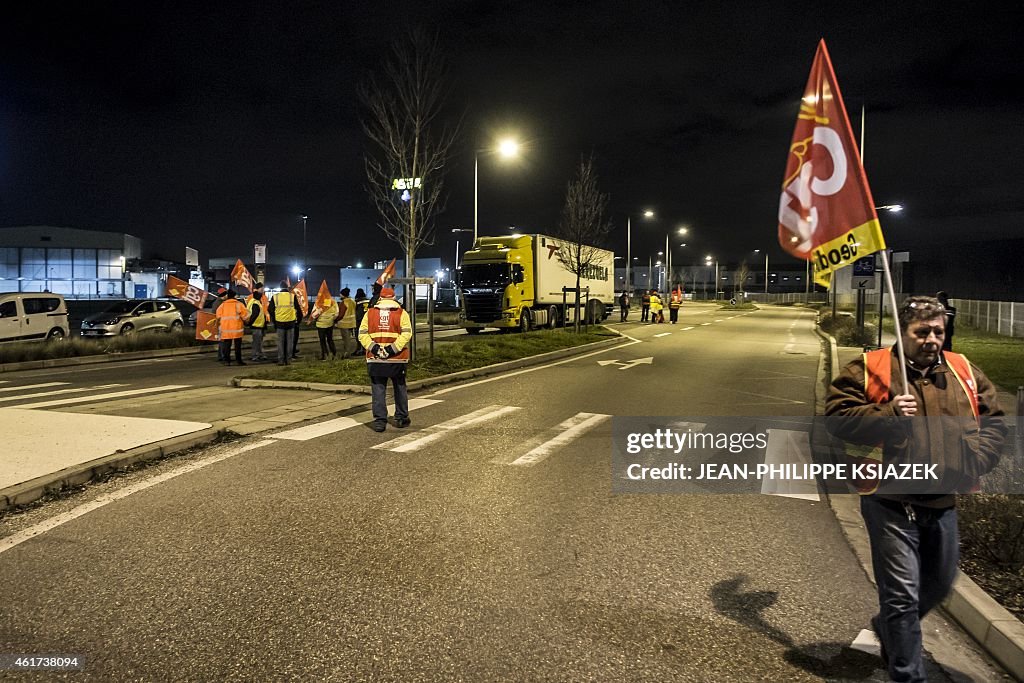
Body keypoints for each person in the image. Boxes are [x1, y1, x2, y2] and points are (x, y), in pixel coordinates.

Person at [826, 295, 1005, 682]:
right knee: (903, 597)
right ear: (903, 332)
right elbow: (838, 418)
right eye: (921, 332)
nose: (931, 339)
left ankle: (890, 626)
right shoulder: (870, 369)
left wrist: (978, 459)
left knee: (937, 588)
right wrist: (889, 413)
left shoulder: (962, 370)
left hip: (943, 502)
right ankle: (908, 674)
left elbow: (994, 419)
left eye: (938, 332)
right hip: (890, 502)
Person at [358, 285, 412, 432]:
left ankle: (380, 421)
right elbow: (407, 334)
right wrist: (391, 349)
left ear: (380, 298)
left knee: (378, 389)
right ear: (394, 298)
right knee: (400, 387)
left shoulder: (369, 313)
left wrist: (375, 348)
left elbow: (362, 334)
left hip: (375, 359)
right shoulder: (402, 313)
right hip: (397, 358)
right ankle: (401, 418)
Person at [269, 280, 303, 366]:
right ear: (287, 287)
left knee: (281, 342)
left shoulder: (275, 297)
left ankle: (281, 360)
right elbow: (299, 311)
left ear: (280, 288)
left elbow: (270, 310)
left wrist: (274, 320)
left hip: (279, 323)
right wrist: (298, 321)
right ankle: (288, 360)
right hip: (291, 323)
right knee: (290, 342)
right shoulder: (292, 296)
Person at [215, 289, 248, 366]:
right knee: (237, 346)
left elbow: (218, 316)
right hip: (237, 329)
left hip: (226, 329)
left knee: (227, 346)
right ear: (234, 296)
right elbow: (245, 316)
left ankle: (227, 361)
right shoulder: (239, 304)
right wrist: (247, 322)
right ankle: (238, 361)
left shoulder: (222, 305)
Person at [246, 282, 269, 362]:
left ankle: (260, 354)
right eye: (261, 289)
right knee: (257, 341)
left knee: (260, 340)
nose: (263, 290)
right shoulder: (252, 298)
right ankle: (256, 355)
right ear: (257, 289)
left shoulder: (264, 297)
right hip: (257, 324)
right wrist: (249, 322)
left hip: (262, 322)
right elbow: (253, 312)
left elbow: (266, 309)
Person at [314, 295, 339, 360]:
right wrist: (332, 319)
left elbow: (315, 313)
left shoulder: (319, 302)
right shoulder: (333, 301)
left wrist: (315, 319)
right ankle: (334, 354)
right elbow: (337, 313)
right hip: (330, 323)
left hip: (321, 324)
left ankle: (325, 355)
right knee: (330, 339)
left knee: (322, 340)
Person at [337, 287, 357, 356]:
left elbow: (341, 314)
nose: (340, 295)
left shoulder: (344, 302)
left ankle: (347, 353)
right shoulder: (352, 301)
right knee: (349, 339)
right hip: (352, 323)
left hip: (344, 323)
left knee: (346, 340)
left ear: (343, 295)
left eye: (340, 294)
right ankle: (347, 352)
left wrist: (335, 320)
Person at [352, 287, 370, 356]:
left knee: (358, 336)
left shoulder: (357, 301)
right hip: (367, 320)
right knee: (366, 335)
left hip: (359, 320)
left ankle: (359, 349)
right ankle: (365, 349)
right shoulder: (368, 300)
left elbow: (355, 311)